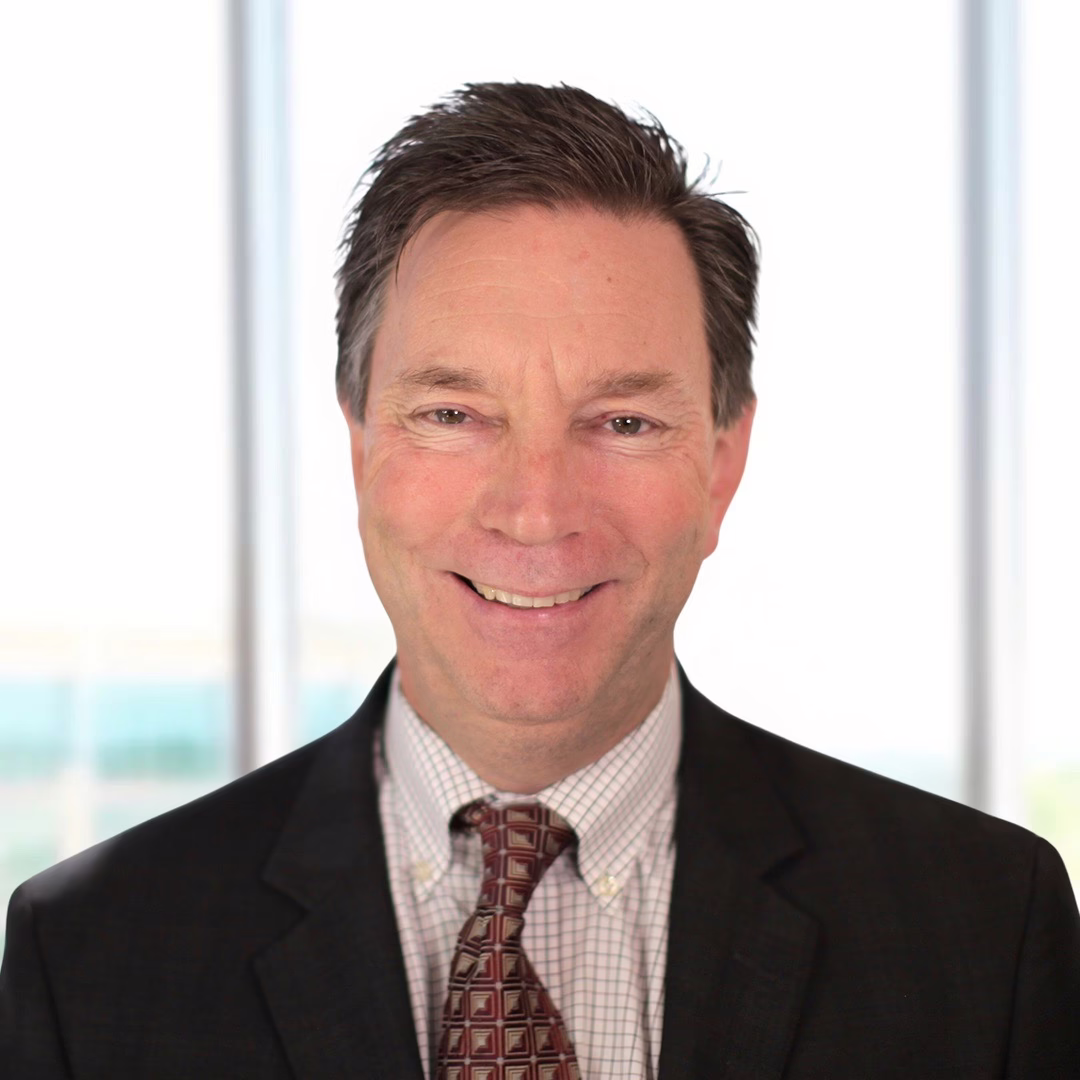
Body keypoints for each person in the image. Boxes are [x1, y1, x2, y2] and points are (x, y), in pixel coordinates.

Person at [1, 81, 1077, 1080]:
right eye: (453, 414)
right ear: (361, 446)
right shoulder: (88, 955)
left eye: (624, 422)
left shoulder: (986, 929)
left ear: (722, 463)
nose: (536, 510)